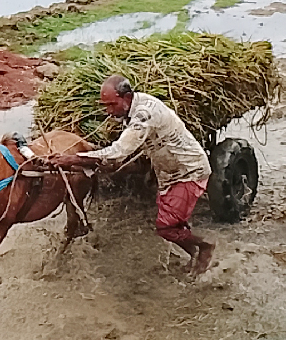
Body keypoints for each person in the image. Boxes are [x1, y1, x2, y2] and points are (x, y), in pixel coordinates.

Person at [45, 75, 215, 274]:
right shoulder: (130, 110)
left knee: (166, 227)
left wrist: (72, 159)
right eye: (105, 106)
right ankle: (193, 253)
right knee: (172, 222)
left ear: (126, 98)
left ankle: (204, 246)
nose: (109, 112)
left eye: (111, 105)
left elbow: (118, 151)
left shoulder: (143, 115)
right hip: (168, 173)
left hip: (188, 171)